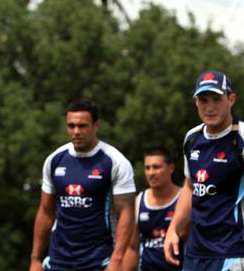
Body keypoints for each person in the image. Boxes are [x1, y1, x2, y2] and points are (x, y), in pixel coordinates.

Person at [29, 98, 136, 271]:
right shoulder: (55, 160)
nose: (76, 131)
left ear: (96, 126)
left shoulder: (114, 161)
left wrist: (116, 260)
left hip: (99, 261)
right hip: (58, 260)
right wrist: (35, 258)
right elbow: (46, 211)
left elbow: (126, 213)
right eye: (71, 126)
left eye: (82, 126)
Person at [164, 70, 244, 270]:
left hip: (233, 253)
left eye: (216, 99)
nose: (209, 107)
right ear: (195, 102)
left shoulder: (241, 138)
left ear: (231, 99)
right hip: (195, 253)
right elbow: (191, 187)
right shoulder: (192, 138)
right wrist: (173, 229)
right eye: (203, 100)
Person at [123, 148, 182, 271]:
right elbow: (132, 247)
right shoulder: (138, 201)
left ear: (171, 168)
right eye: (147, 168)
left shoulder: (183, 200)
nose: (151, 173)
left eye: (156, 167)